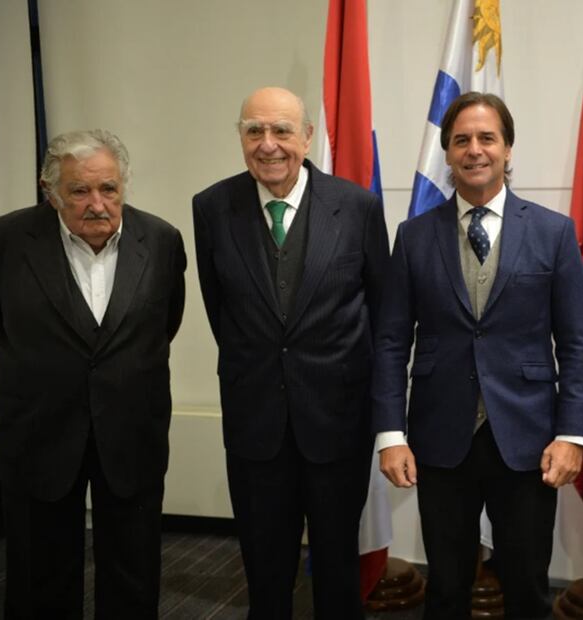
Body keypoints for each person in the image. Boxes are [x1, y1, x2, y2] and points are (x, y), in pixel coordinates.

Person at [372, 92, 583, 619]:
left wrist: (572, 435)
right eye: (461, 140)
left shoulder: (553, 232)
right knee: (445, 586)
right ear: (447, 153)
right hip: (439, 436)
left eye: (487, 138)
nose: (475, 150)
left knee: (527, 586)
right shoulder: (413, 236)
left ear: (508, 148)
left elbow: (578, 343)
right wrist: (390, 434)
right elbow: (390, 341)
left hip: (528, 438)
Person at [0, 129, 186, 618]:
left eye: (109, 189)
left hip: (131, 433)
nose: (97, 203)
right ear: (51, 192)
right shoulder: (5, 240)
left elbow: (163, 325)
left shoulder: (162, 240)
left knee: (133, 573)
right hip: (38, 433)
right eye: (80, 191)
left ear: (124, 186)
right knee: (38, 577)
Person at [192, 86, 389, 619]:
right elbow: (222, 311)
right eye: (254, 130)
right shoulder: (211, 207)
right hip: (255, 423)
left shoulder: (357, 207)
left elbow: (380, 310)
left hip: (338, 424)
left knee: (336, 568)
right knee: (264, 571)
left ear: (306, 137)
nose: (268, 144)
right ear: (241, 137)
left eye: (281, 130)